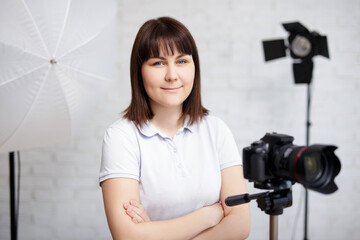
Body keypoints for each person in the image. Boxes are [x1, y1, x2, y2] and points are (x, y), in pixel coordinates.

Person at [99, 16, 250, 240]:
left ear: (194, 67)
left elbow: (240, 224)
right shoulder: (121, 137)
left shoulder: (216, 131)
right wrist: (208, 215)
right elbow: (127, 235)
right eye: (158, 63)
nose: (172, 75)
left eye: (181, 61)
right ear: (139, 71)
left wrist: (154, 232)